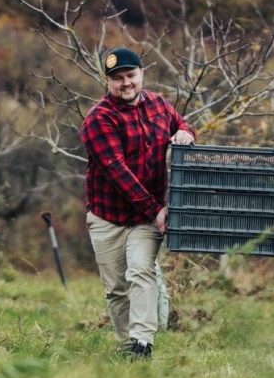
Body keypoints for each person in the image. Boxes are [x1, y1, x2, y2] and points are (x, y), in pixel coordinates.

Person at [79, 47, 195, 360]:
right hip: (108, 216)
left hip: (147, 218)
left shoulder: (158, 104)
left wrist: (184, 133)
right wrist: (155, 209)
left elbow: (182, 125)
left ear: (142, 73)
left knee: (141, 271)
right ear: (107, 81)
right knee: (116, 287)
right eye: (118, 79)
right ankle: (125, 344)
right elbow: (118, 172)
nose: (126, 83)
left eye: (131, 75)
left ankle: (143, 344)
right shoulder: (98, 120)